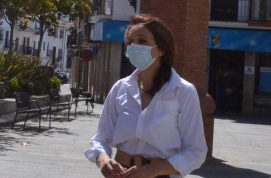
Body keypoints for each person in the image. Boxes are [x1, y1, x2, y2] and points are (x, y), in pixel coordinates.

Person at [86, 14, 207, 178]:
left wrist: (154, 170)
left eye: (142, 41)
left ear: (161, 49)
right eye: (131, 42)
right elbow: (101, 138)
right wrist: (103, 160)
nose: (135, 46)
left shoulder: (183, 92)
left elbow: (196, 151)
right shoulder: (120, 88)